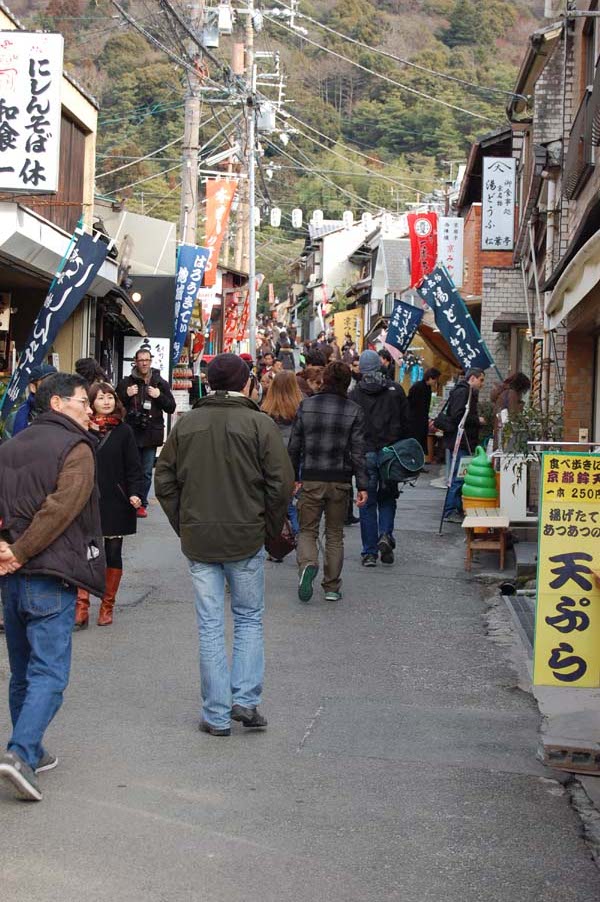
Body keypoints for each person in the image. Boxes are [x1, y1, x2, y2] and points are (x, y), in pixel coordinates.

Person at [155, 353, 294, 736]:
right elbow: (280, 483)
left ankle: (216, 715)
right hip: (246, 535)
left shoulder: (187, 424)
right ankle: (245, 701)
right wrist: (270, 525)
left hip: (199, 537)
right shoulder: (259, 424)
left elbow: (163, 479)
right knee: (249, 617)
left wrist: (182, 522)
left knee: (211, 625)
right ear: (245, 383)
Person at [0, 372, 105, 801]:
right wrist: (20, 550)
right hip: (48, 571)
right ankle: (20, 753)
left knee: (23, 670)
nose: (89, 408)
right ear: (58, 404)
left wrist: (6, 550)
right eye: (83, 401)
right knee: (48, 671)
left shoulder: (10, 445)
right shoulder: (76, 448)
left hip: (11, 573)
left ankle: (33, 749)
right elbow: (61, 509)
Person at [288, 361, 368, 603]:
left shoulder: (306, 406)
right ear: (347, 383)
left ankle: (308, 566)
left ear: (324, 379)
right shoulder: (354, 410)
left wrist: (293, 477)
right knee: (334, 534)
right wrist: (362, 485)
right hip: (340, 481)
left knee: (307, 531)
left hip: (311, 477)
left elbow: (294, 446)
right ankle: (331, 586)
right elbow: (358, 452)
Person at [74, 383, 145, 630]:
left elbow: (134, 467)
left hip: (116, 500)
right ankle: (81, 607)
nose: (106, 401)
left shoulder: (124, 431)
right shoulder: (82, 428)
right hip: (85, 499)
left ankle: (107, 605)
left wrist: (136, 493)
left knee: (113, 553)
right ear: (91, 402)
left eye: (110, 397)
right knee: (84, 553)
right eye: (100, 398)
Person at [349, 350, 410, 567]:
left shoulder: (355, 394)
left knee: (366, 502)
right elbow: (406, 421)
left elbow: (352, 428)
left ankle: (369, 552)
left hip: (365, 454)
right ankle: (385, 533)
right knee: (387, 497)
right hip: (390, 454)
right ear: (380, 366)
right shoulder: (395, 390)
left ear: (362, 370)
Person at [116, 349, 176, 518]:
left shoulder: (159, 383)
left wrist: (159, 396)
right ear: (135, 361)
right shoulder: (126, 383)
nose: (143, 363)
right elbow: (114, 406)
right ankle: (129, 500)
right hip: (131, 432)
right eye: (140, 360)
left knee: (146, 471)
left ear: (151, 361)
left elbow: (171, 407)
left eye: (147, 360)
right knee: (130, 468)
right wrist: (126, 396)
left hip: (151, 433)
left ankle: (141, 502)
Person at [262, 370, 303, 539]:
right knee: (295, 503)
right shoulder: (303, 408)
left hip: (273, 459)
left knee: (274, 503)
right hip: (297, 459)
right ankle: (300, 537)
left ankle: (277, 542)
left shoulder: (265, 410)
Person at [441, 367, 486, 523]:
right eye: (481, 380)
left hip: (463, 440)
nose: (482, 384)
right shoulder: (463, 392)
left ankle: (457, 507)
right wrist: (476, 420)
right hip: (460, 440)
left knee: (461, 475)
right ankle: (450, 510)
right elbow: (457, 415)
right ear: (472, 378)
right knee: (458, 477)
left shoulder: (466, 392)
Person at [4, 363, 57, 439]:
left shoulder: (66, 414)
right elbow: (7, 449)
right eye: (47, 383)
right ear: (33, 387)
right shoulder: (15, 418)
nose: (52, 388)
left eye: (56, 383)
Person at [491, 371, 531, 448]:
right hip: (508, 437)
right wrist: (521, 407)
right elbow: (514, 417)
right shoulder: (512, 394)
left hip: (499, 433)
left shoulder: (503, 393)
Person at [408, 367, 441, 455]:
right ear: (430, 378)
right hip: (414, 421)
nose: (435, 382)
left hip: (422, 420)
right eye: (435, 379)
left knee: (420, 444)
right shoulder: (417, 387)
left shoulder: (427, 388)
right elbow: (410, 404)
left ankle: (419, 464)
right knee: (416, 443)